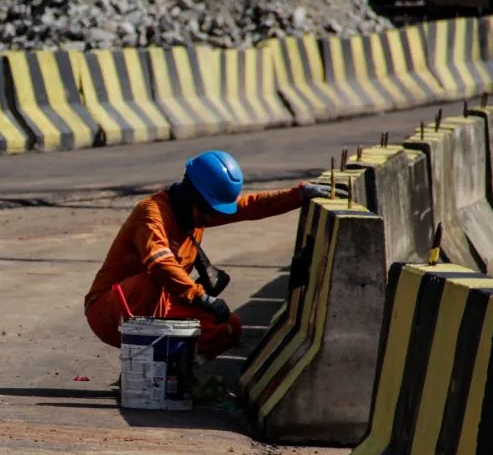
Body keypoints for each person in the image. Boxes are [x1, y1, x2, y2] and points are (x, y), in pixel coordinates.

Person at [85, 150, 323, 361]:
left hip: (157, 307)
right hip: (110, 310)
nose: (210, 219)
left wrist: (298, 195)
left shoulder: (198, 211)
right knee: (153, 282)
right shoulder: (152, 213)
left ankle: (172, 370)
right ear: (191, 195)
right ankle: (148, 363)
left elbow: (250, 205)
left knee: (227, 327)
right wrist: (201, 297)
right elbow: (160, 263)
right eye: (208, 212)